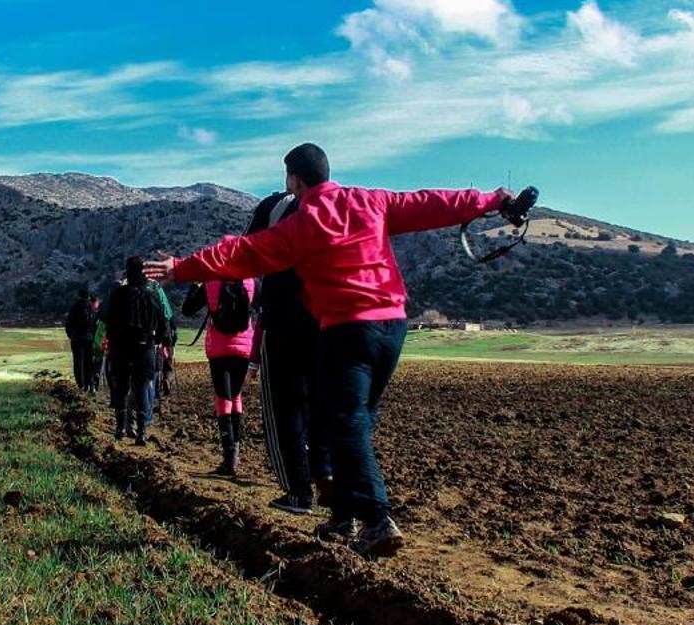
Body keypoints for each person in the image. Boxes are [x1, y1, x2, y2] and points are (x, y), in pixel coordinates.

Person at [147, 144, 533, 558]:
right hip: (394, 326)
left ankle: (376, 519)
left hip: (349, 330)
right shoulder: (371, 200)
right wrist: (493, 200)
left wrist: (182, 268)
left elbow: (242, 253)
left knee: (343, 420)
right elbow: (432, 203)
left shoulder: (305, 223)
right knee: (355, 418)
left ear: (294, 180)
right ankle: (344, 512)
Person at [247, 189, 330, 516]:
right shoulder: (330, 211)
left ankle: (298, 491)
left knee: (286, 411)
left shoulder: (274, 208)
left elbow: (248, 249)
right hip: (324, 322)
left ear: (293, 177)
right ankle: (327, 476)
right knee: (321, 405)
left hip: (283, 324)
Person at [180, 274, 256, 477]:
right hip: (244, 347)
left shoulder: (210, 283)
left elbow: (187, 310)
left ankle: (229, 457)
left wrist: (194, 286)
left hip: (219, 349)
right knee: (236, 395)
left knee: (223, 398)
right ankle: (236, 452)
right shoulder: (251, 281)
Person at [103, 257, 170, 443]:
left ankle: (120, 429)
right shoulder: (151, 295)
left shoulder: (118, 294)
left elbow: (107, 319)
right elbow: (163, 323)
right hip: (144, 347)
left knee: (122, 387)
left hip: (121, 348)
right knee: (141, 389)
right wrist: (156, 342)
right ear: (143, 272)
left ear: (127, 272)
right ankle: (141, 432)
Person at [63, 289, 97, 391]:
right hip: (89, 338)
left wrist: (71, 335)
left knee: (78, 362)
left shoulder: (75, 307)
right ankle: (90, 384)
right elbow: (96, 324)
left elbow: (68, 324)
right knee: (89, 362)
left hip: (77, 337)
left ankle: (80, 385)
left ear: (79, 296)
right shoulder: (92, 308)